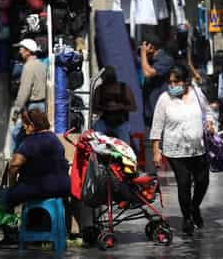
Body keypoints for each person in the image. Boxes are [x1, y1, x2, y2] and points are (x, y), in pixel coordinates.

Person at [150, 64, 214, 235]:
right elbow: (157, 126)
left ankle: (194, 207)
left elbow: (208, 112)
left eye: (176, 82)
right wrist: (156, 150)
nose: (172, 86)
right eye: (170, 82)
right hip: (175, 150)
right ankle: (187, 218)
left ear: (185, 82)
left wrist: (209, 123)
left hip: (197, 149)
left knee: (203, 182)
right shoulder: (164, 99)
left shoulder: (197, 94)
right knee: (184, 183)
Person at [0, 108, 71, 247]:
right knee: (30, 193)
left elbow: (14, 166)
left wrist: (12, 185)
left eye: (26, 125)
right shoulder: (54, 139)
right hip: (63, 186)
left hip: (41, 187)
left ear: (33, 125)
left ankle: (10, 236)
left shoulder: (30, 142)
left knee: (5, 195)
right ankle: (38, 232)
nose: (24, 129)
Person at [11, 39, 47, 152]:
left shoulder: (28, 67)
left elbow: (24, 91)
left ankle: (14, 162)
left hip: (32, 107)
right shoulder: (41, 65)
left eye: (21, 49)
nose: (20, 52)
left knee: (16, 134)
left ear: (28, 51)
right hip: (41, 105)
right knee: (37, 136)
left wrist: (16, 110)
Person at [92, 65, 137, 144]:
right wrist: (105, 108)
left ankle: (126, 154)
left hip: (121, 122)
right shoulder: (99, 89)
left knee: (125, 143)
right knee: (96, 135)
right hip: (104, 121)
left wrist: (121, 106)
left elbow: (133, 107)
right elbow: (94, 108)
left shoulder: (124, 88)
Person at [140, 35, 176, 126]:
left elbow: (148, 73)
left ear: (151, 47)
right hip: (149, 108)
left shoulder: (165, 59)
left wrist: (143, 54)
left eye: (145, 47)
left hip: (161, 108)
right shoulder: (150, 60)